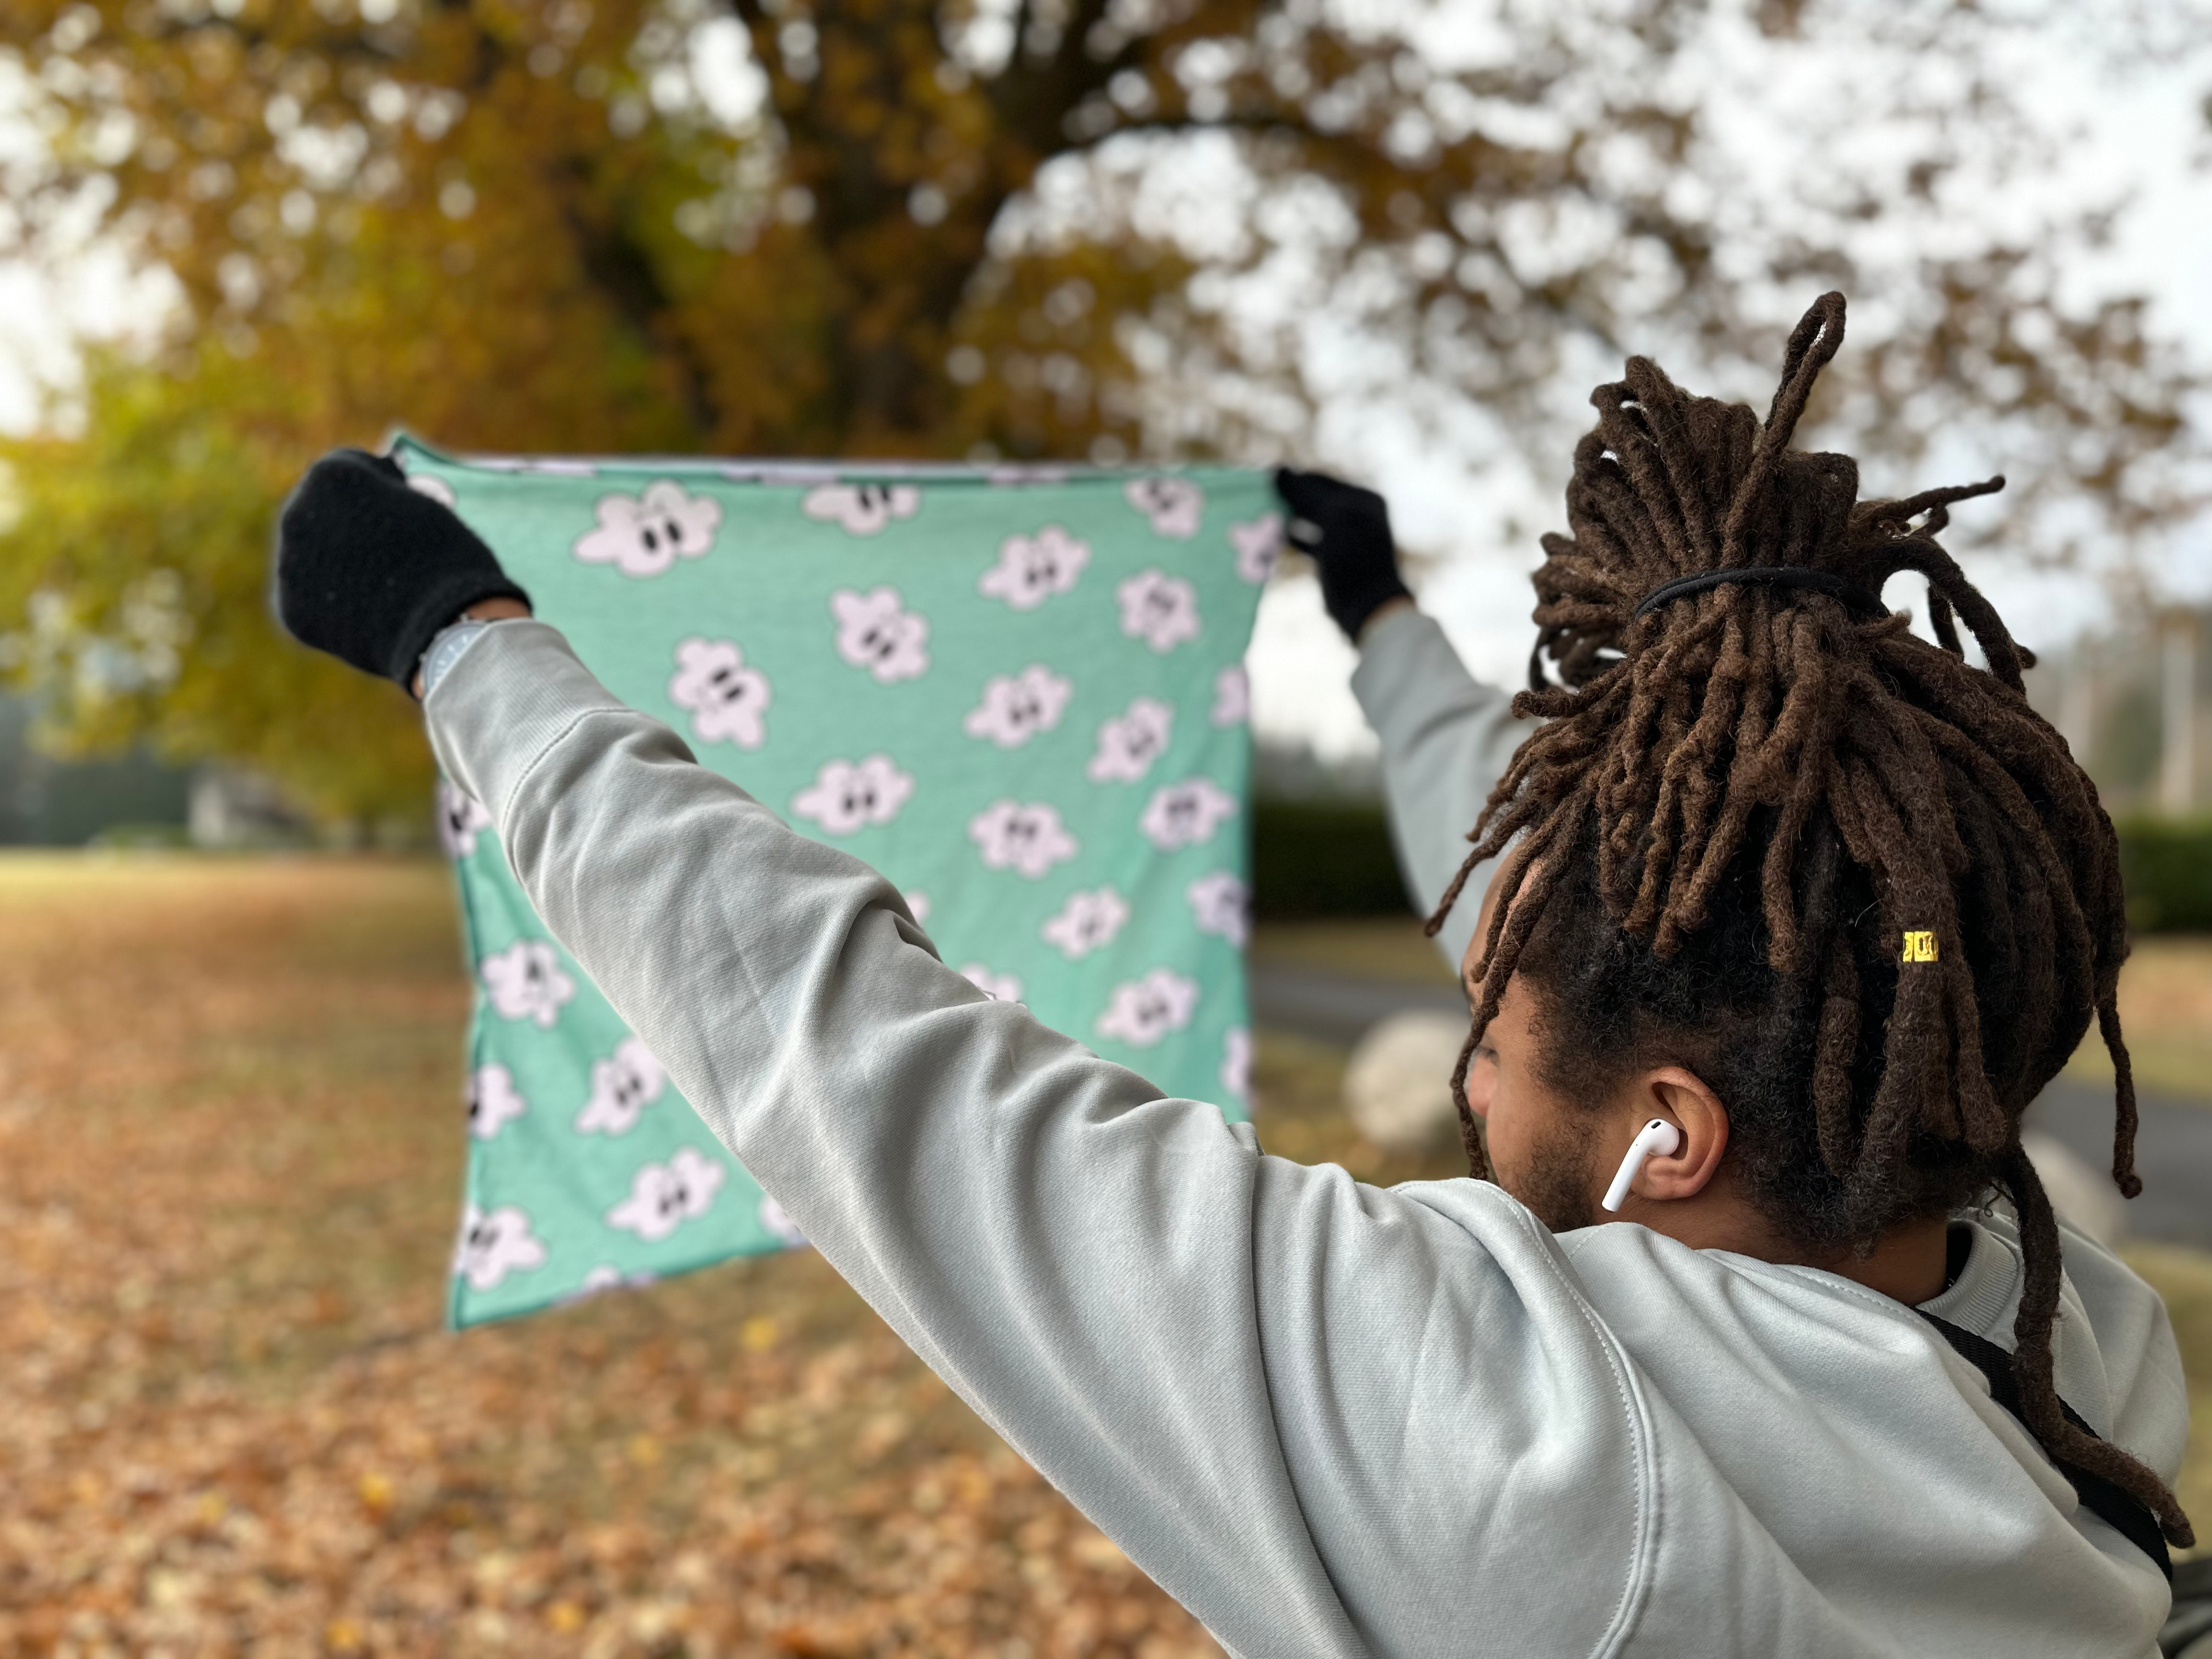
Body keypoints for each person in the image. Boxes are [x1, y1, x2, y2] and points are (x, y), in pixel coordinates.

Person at [272, 292, 2189, 1657]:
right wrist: (1377, 618)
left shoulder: (1527, 1455)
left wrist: (463, 644)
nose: (1475, 1064)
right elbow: (1568, 907)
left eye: (1491, 1038)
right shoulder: (2073, 1341)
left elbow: (856, 1054)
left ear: (1668, 1136)